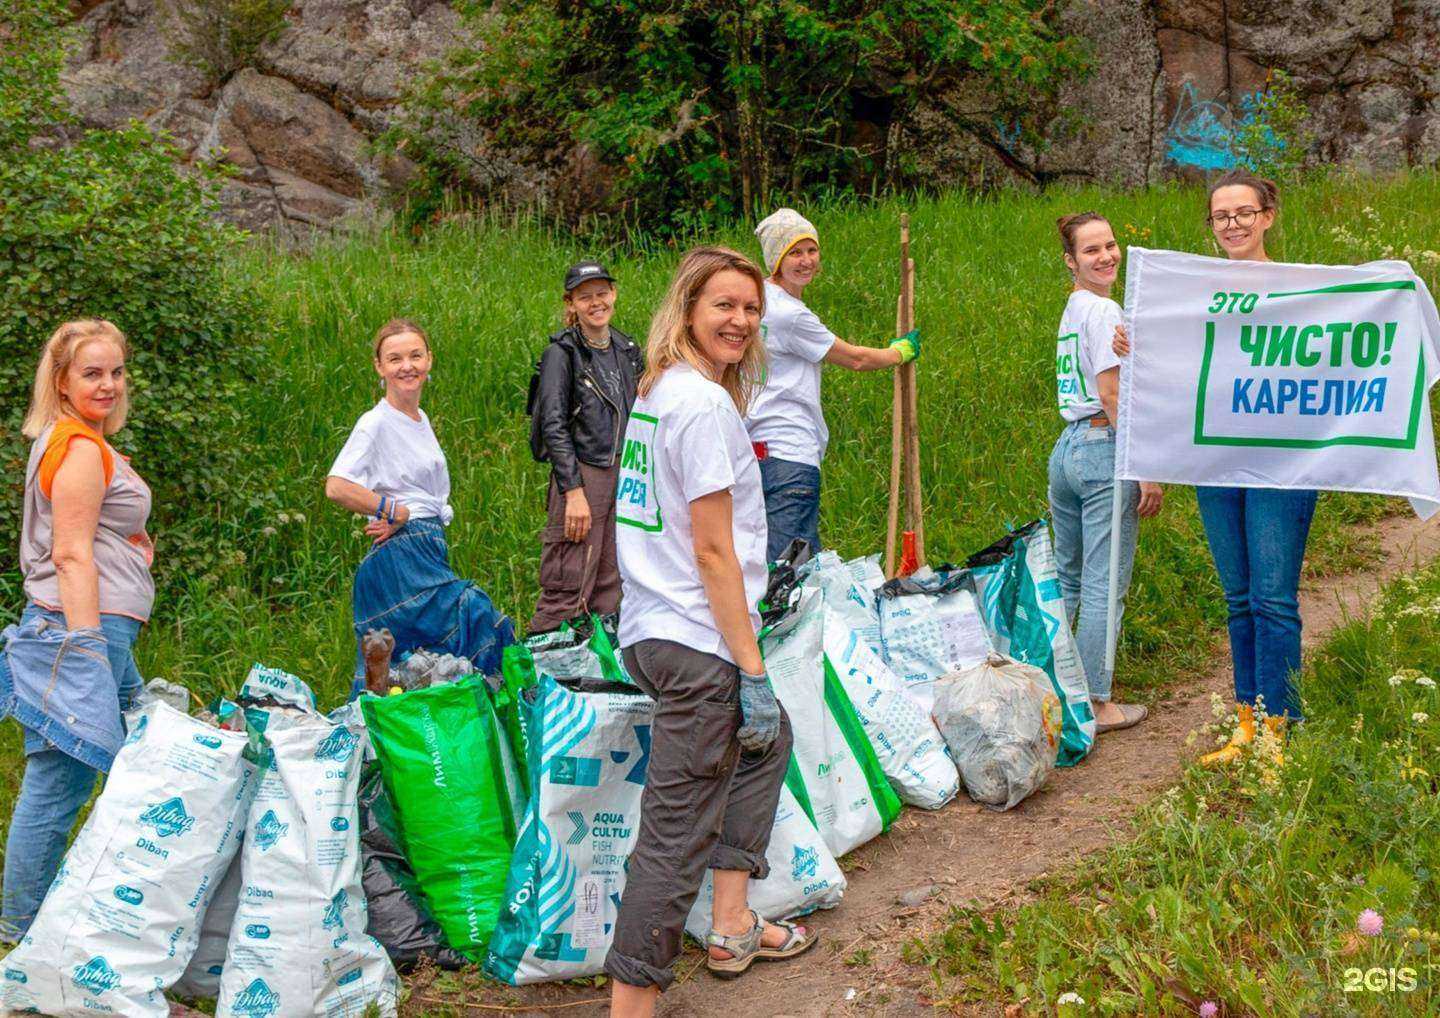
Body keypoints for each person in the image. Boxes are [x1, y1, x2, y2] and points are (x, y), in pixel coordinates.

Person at [606, 247, 817, 1016]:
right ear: (688, 308)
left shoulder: (660, 390)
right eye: (724, 305)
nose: (741, 320)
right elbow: (713, 551)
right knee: (673, 840)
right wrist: (750, 666)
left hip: (654, 626)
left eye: (752, 308)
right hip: (696, 640)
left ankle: (730, 925)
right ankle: (631, 1005)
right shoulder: (700, 407)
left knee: (768, 739)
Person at [1114, 168, 1312, 764]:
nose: (1233, 223)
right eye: (1222, 215)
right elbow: (1177, 364)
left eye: (1244, 212)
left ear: (1267, 216)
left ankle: (1281, 732)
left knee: (1273, 599)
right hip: (1217, 463)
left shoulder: (1302, 291)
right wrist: (1135, 346)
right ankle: (1246, 725)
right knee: (1239, 598)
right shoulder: (1194, 293)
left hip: (1281, 465)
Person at [1, 320, 155, 939]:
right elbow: (68, 554)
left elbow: (87, 536)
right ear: (62, 383)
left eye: (116, 372)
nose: (108, 384)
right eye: (92, 373)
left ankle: (117, 907)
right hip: (81, 630)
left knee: (146, 750)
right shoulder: (80, 449)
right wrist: (87, 646)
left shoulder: (79, 442)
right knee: (60, 778)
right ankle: (21, 929)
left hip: (93, 629)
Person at [325, 318, 514, 691]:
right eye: (394, 359)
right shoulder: (375, 423)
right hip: (401, 561)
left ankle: (461, 721)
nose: (407, 366)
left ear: (429, 359)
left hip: (425, 548)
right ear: (379, 367)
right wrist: (393, 510)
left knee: (420, 671)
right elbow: (337, 486)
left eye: (415, 355)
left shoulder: (418, 418)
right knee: (477, 614)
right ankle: (511, 705)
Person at [748, 208, 921, 561]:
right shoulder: (790, 314)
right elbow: (855, 358)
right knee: (792, 568)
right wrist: (898, 352)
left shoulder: (757, 301)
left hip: (755, 448)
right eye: (794, 253)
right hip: (789, 451)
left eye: (811, 250)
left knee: (767, 560)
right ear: (775, 260)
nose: (806, 261)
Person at [1048, 213, 1164, 735]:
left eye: (1110, 245)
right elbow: (1112, 393)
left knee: (1068, 580)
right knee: (1103, 584)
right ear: (1071, 261)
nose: (1106, 256)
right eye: (1091, 250)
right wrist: (1144, 466)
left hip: (1068, 448)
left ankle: (1055, 691)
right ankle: (1094, 702)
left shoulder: (1076, 307)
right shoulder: (1103, 308)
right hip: (1102, 445)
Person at [527, 261, 642, 632]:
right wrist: (573, 491)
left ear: (614, 294)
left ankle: (598, 661)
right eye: (585, 296)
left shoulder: (627, 349)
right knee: (569, 583)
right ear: (571, 303)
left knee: (611, 584)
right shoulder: (561, 353)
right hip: (583, 475)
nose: (596, 303)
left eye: (602, 293)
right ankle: (543, 659)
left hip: (623, 473)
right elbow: (553, 424)